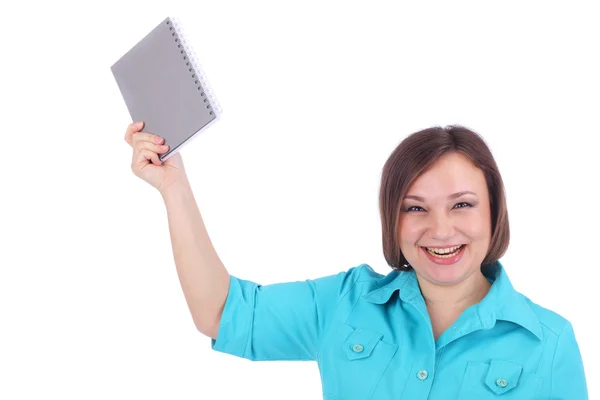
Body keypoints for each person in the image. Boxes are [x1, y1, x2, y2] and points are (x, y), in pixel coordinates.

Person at [124, 122, 588, 399]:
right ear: (393, 219)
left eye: (462, 204)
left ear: (494, 212)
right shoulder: (346, 304)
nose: (440, 229)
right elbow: (222, 313)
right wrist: (174, 188)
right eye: (415, 207)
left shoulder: (548, 343)